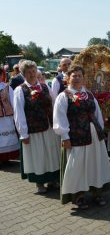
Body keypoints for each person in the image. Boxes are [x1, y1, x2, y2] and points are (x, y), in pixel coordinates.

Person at [53, 65, 110, 209]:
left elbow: (97, 114)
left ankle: (96, 192)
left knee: (95, 164)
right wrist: (65, 137)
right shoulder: (64, 96)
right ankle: (78, 196)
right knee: (77, 167)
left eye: (80, 75)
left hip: (94, 138)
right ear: (68, 78)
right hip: (76, 138)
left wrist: (100, 131)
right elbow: (59, 119)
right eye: (74, 76)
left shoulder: (90, 95)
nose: (77, 78)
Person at [13, 60, 60, 194]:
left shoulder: (45, 87)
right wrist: (23, 134)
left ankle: (52, 180)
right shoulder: (20, 90)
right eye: (28, 72)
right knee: (38, 155)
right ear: (23, 74)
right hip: (33, 130)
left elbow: (55, 104)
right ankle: (39, 183)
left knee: (51, 154)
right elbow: (19, 113)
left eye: (33, 71)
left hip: (49, 128)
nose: (32, 74)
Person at [0, 67, 20, 166]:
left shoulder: (7, 87)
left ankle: (6, 158)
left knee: (7, 138)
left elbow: (13, 102)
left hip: (7, 117)